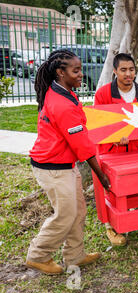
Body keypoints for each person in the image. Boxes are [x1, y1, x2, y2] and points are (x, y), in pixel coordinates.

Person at [26, 50, 111, 275]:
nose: (81, 74)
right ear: (60, 72)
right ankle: (38, 255)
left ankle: (75, 255)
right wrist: (101, 176)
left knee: (78, 211)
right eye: (76, 71)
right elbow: (82, 147)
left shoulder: (62, 92)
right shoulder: (61, 104)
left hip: (64, 164)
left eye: (81, 69)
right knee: (65, 215)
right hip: (53, 168)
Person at [94, 53, 138, 246]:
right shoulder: (104, 94)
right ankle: (110, 226)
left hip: (137, 148)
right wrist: (114, 139)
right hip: (113, 150)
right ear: (114, 71)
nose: (128, 74)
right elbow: (101, 124)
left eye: (131, 69)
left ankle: (136, 217)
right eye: (123, 70)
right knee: (112, 188)